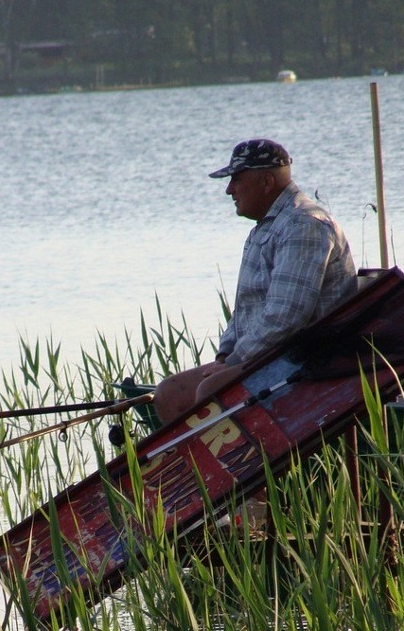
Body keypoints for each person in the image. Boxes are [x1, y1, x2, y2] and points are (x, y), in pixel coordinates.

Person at [153, 138, 357, 423]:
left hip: (305, 360)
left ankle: (229, 466)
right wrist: (225, 356)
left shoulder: (304, 225)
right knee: (169, 392)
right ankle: (189, 465)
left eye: (236, 180)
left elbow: (286, 318)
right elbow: (245, 311)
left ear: (266, 182)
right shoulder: (266, 228)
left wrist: (234, 363)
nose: (228, 190)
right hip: (269, 356)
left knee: (211, 391)